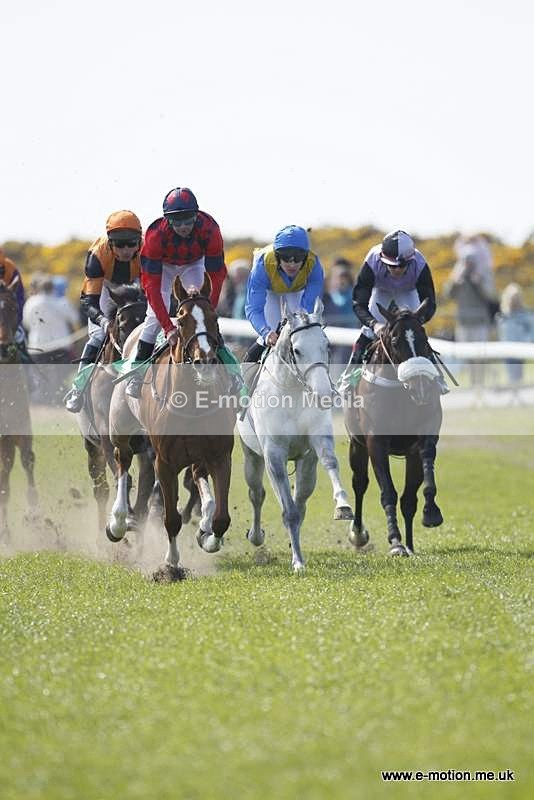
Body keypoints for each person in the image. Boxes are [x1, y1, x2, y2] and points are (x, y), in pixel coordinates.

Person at [126, 186, 238, 398]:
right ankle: (136, 374)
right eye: (177, 221)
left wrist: (208, 309)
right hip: (163, 267)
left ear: (197, 215)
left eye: (188, 220)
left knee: (204, 316)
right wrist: (168, 328)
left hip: (194, 263)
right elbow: (152, 289)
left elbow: (217, 275)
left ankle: (231, 373)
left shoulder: (210, 229)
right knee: (153, 318)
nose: (184, 226)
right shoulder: (154, 236)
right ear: (167, 220)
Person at [338, 229, 447, 393]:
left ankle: (437, 376)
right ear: (382, 259)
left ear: (410, 261)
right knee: (367, 332)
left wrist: (416, 321)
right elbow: (358, 303)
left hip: (407, 292)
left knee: (414, 333)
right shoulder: (372, 261)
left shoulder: (420, 264)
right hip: (381, 291)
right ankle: (347, 378)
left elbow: (429, 302)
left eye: (401, 266)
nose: (396, 270)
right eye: (390, 266)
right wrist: (374, 324)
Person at [63, 210, 143, 412]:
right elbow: (89, 302)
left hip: (138, 286)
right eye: (119, 244)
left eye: (131, 243)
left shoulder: (147, 251)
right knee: (98, 337)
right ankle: (77, 389)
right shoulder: (97, 255)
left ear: (139, 240)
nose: (126, 249)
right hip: (106, 288)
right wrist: (104, 321)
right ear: (110, 242)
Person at [243, 225, 324, 369]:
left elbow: (307, 306)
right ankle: (243, 382)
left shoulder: (314, 265)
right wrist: (266, 333)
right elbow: (253, 309)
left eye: (298, 258)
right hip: (270, 292)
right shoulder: (263, 264)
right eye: (286, 258)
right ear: (277, 256)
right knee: (271, 332)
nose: (292, 264)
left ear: (306, 257)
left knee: (302, 333)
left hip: (296, 292)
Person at [444, 235, 498, 386]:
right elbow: (448, 294)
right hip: (463, 322)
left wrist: (479, 283)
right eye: (465, 261)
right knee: (467, 357)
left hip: (480, 321)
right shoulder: (457, 274)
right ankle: (472, 386)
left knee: (480, 357)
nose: (468, 264)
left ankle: (480, 385)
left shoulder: (483, 273)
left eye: (470, 261)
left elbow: (492, 296)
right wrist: (455, 282)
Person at [23, 273, 79, 403]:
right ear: (52, 288)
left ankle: (43, 403)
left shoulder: (30, 302)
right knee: (59, 378)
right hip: (60, 346)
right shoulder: (61, 302)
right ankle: (57, 401)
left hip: (37, 346)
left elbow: (26, 323)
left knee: (41, 378)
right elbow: (75, 318)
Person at [496, 283, 534, 385]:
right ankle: (515, 391)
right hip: (506, 348)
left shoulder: (525, 315)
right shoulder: (503, 316)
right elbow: (500, 332)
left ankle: (517, 391)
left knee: (517, 374)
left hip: (520, 347)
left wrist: (527, 342)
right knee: (511, 374)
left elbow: (531, 330)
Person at [322, 258, 354, 371]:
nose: (341, 280)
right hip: (331, 339)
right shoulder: (326, 296)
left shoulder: (353, 294)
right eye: (338, 276)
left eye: (344, 276)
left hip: (350, 339)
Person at [0, 246, 29, 359]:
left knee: (20, 337)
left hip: (9, 316)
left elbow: (20, 297)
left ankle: (29, 371)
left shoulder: (10, 268)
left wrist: (17, 321)